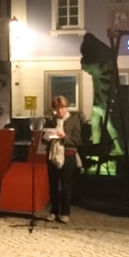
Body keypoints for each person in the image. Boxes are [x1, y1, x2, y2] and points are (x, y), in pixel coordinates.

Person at [42, 95, 81, 224]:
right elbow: (43, 139)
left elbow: (77, 140)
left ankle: (65, 212)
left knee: (65, 185)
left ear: (66, 107)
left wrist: (65, 137)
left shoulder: (74, 120)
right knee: (53, 185)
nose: (60, 111)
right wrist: (47, 136)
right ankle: (53, 211)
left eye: (62, 108)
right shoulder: (51, 121)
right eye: (57, 108)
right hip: (52, 155)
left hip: (67, 155)